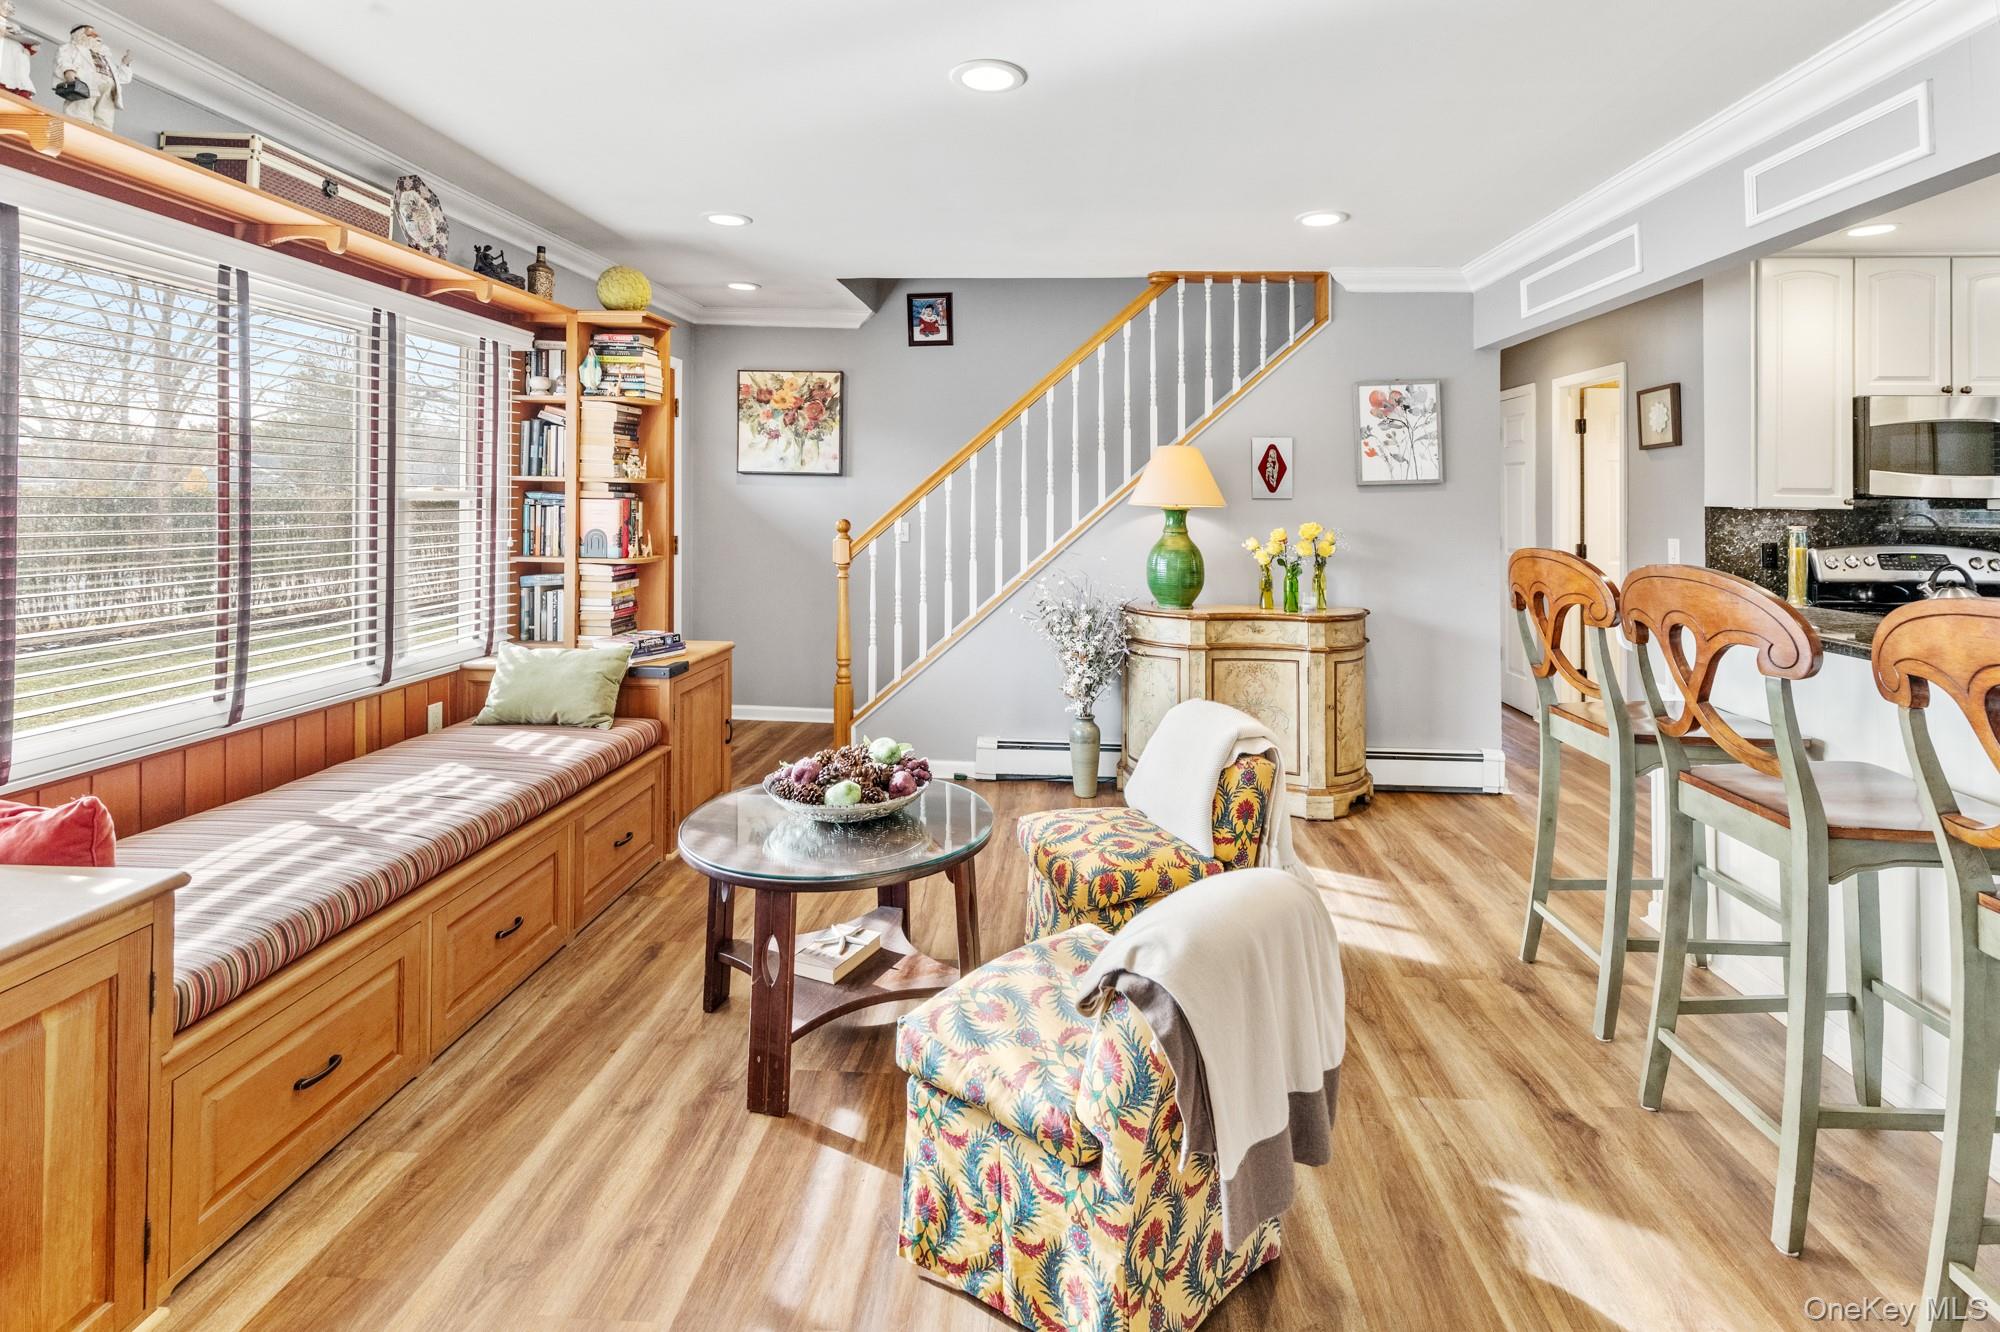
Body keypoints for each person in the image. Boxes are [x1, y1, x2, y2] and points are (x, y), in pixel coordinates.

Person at [54, 23, 131, 131]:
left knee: (104, 119)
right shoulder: (71, 48)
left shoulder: (105, 57)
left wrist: (125, 64)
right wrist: (69, 72)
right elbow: (63, 60)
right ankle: (78, 131)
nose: (96, 35)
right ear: (80, 35)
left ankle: (102, 135)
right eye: (91, 33)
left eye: (96, 33)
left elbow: (122, 78)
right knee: (81, 114)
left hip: (108, 90)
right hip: (86, 86)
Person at [0, 2, 36, 101]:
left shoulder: (14, 26)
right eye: (4, 5)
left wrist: (30, 47)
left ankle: (20, 90)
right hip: (3, 52)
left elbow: (22, 39)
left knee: (18, 67)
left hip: (13, 55)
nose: (7, 8)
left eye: (10, 6)